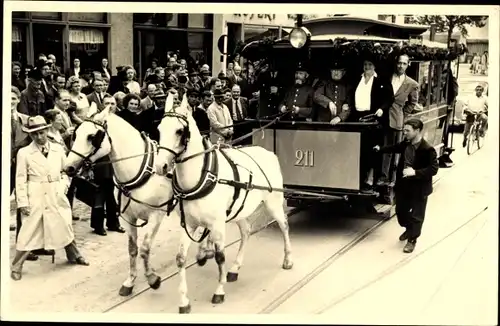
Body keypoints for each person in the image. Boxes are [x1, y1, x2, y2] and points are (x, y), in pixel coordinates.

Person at [12, 116, 89, 280]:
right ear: (30, 135)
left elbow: (65, 172)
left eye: (42, 132)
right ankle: (17, 265)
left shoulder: (57, 149)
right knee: (30, 229)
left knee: (63, 223)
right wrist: (23, 202)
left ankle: (73, 254)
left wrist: (62, 187)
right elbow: (20, 179)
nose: (39, 137)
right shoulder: (24, 153)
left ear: (47, 130)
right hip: (35, 193)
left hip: (55, 191)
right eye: (35, 134)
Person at [373, 118, 438, 253]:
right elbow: (395, 147)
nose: (404, 133)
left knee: (417, 215)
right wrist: (380, 149)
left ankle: (412, 240)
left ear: (417, 131)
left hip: (419, 188)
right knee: (400, 213)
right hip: (404, 185)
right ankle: (409, 229)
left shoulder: (428, 149)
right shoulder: (406, 143)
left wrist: (415, 172)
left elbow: (433, 169)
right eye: (404, 130)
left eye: (407, 130)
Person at [350, 58, 392, 193]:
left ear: (375, 66)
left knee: (372, 150)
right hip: (357, 118)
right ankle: (358, 179)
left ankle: (370, 180)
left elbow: (389, 98)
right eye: (365, 64)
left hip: (373, 118)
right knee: (359, 149)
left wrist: (382, 108)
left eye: (370, 64)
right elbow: (351, 96)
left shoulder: (381, 81)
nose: (367, 67)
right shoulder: (357, 79)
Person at [378, 54, 419, 188]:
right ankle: (382, 178)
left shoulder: (412, 84)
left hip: (397, 120)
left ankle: (392, 179)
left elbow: (413, 102)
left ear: (408, 65)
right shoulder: (387, 77)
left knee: (394, 151)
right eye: (399, 63)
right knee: (383, 150)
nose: (401, 66)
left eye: (404, 64)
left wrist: (403, 114)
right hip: (382, 118)